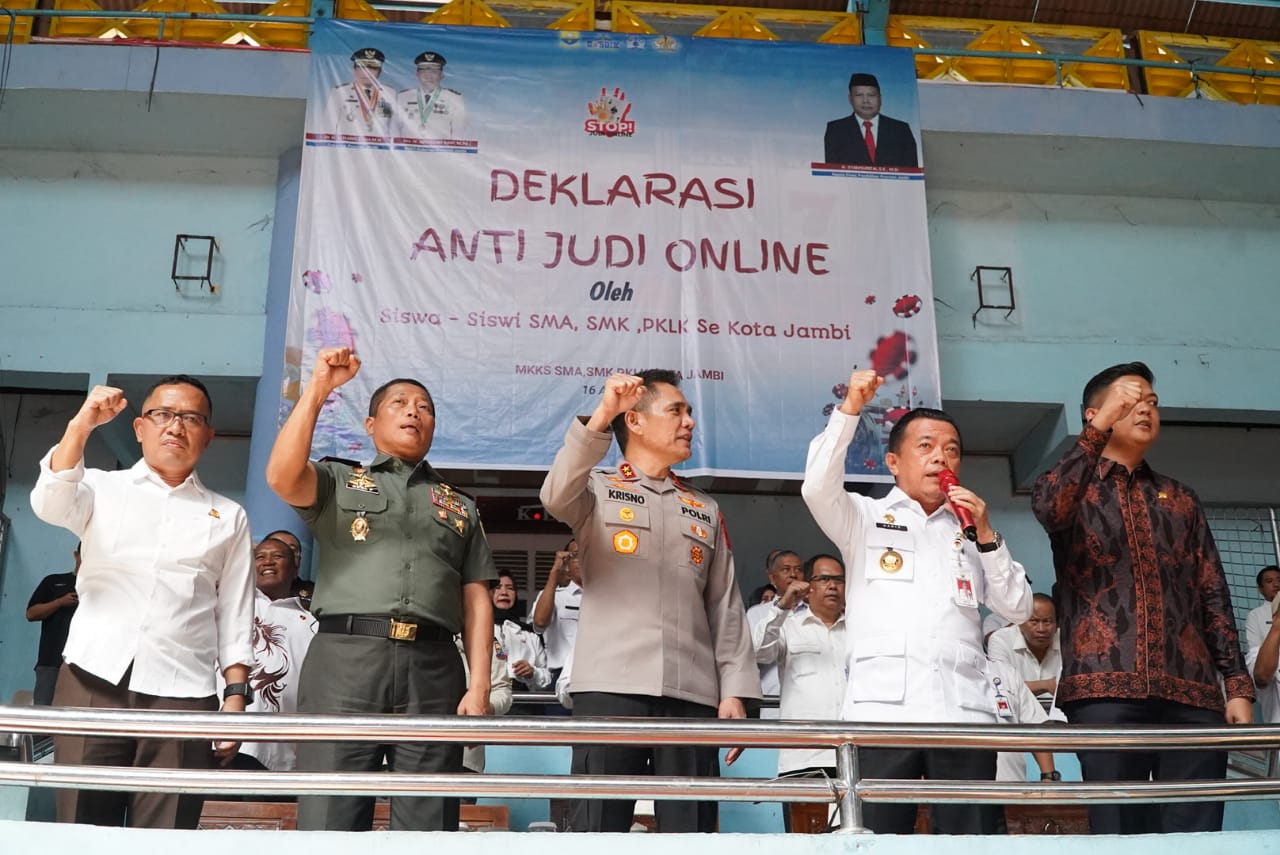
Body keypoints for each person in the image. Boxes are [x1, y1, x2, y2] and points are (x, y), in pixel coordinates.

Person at [265, 347, 497, 832]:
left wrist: (479, 686)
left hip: (434, 668)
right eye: (400, 403)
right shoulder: (338, 480)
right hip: (345, 660)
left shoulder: (459, 506)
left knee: (428, 819)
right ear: (370, 425)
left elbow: (476, 596)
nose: (414, 411)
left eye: (424, 407)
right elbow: (281, 476)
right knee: (330, 814)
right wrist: (319, 388)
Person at [801, 368, 1032, 835]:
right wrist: (850, 409)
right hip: (883, 715)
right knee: (876, 837)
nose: (940, 457)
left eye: (951, 450)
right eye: (925, 446)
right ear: (893, 462)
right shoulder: (864, 517)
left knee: (970, 841)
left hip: (963, 714)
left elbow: (1018, 607)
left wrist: (987, 534)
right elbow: (816, 487)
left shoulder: (972, 530)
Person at [1031, 361, 1252, 835]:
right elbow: (1049, 506)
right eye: (1130, 401)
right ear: (1094, 415)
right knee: (1118, 829)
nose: (1146, 409)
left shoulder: (1181, 497)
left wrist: (1236, 684)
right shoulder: (1073, 488)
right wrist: (1095, 434)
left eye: (1152, 401)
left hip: (1191, 690)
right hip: (1105, 689)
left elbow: (1212, 590)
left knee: (1197, 830)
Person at [540, 370, 761, 833]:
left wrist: (735, 691)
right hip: (611, 687)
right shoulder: (596, 489)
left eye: (690, 412)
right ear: (635, 421)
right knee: (597, 830)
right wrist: (604, 412)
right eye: (676, 411)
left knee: (692, 832)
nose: (689, 422)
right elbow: (555, 494)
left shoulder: (703, 508)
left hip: (691, 693)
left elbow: (724, 605)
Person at [30, 377, 255, 828]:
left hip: (184, 694)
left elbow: (234, 610)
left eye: (191, 418)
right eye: (163, 414)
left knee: (166, 834)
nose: (175, 426)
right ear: (139, 427)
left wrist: (235, 696)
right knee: (82, 828)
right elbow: (49, 503)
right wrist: (82, 424)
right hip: (92, 680)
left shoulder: (228, 515)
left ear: (208, 436)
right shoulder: (100, 487)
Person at [225, 537, 318, 774]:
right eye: (260, 557)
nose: (268, 562)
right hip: (223, 736)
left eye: (277, 556)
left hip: (277, 747)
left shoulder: (313, 620)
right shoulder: (230, 604)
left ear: (295, 568)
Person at [752, 554, 847, 778]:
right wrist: (782, 607)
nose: (832, 586)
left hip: (855, 754)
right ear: (807, 586)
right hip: (804, 755)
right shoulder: (789, 627)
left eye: (839, 580)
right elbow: (759, 652)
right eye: (824, 579)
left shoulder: (858, 631)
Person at [823, 72, 918, 168]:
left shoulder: (901, 130)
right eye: (859, 95)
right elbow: (832, 170)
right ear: (850, 99)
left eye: (871, 95)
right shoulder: (836, 130)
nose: (866, 101)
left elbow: (912, 170)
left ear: (880, 98)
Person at [745, 549, 805, 699]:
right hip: (770, 699)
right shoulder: (756, 613)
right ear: (772, 578)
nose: (793, 574)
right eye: (786, 570)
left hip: (807, 701)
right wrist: (783, 606)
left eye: (798, 570)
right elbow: (751, 656)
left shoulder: (813, 612)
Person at [25, 544, 80, 706]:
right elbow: (31, 614)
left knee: (78, 713)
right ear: (76, 555)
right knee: (43, 709)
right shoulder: (53, 581)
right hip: (51, 660)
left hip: (84, 665)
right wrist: (59, 602)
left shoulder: (99, 589)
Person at [986, 593, 1061, 707]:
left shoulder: (1067, 640)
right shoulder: (1000, 640)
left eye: (1047, 621)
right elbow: (999, 687)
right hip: (1017, 712)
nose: (1041, 629)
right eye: (1034, 621)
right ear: (1020, 622)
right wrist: (1046, 685)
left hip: (1060, 712)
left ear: (1057, 624)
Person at [530, 540, 582, 692]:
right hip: (562, 676)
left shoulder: (605, 598)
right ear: (566, 566)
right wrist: (555, 572)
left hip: (598, 676)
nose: (584, 560)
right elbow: (539, 623)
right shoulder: (556, 596)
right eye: (576, 555)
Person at [492, 571, 551, 692]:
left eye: (510, 588)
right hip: (488, 696)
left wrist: (533, 673)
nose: (504, 592)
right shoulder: (476, 630)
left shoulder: (530, 634)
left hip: (523, 698)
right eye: (498, 587)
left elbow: (547, 678)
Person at [326, 47, 399, 137]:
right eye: (362, 68)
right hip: (348, 145)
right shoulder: (339, 92)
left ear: (380, 72)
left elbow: (394, 128)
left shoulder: (389, 93)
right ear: (354, 70)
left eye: (372, 69)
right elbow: (328, 127)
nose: (367, 73)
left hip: (380, 144)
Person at [396, 51, 467, 139]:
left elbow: (458, 133)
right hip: (407, 147)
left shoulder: (454, 98)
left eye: (434, 72)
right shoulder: (403, 96)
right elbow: (395, 129)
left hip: (440, 148)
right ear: (417, 74)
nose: (429, 76)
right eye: (424, 71)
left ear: (442, 75)